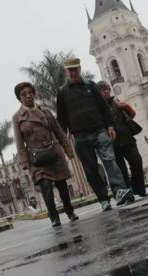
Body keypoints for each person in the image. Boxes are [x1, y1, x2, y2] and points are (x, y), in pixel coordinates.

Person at [56, 57, 134, 211]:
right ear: (66, 72)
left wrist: (110, 126)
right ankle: (103, 199)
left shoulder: (91, 86)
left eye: (75, 69)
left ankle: (119, 191)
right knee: (90, 168)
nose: (73, 72)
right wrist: (64, 139)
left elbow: (104, 108)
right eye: (70, 70)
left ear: (79, 68)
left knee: (109, 160)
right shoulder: (62, 93)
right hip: (79, 136)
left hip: (99, 131)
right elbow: (62, 118)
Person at [12, 82, 79, 227]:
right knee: (46, 187)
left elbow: (59, 133)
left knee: (62, 185)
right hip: (37, 158)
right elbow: (19, 143)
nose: (28, 95)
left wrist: (68, 150)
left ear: (34, 94)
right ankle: (54, 217)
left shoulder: (46, 112)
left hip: (54, 153)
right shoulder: (17, 117)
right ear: (19, 99)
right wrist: (25, 163)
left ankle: (70, 211)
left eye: (30, 92)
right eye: (24, 94)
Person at [97, 81, 148, 198]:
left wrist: (125, 106)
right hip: (112, 143)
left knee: (137, 162)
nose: (105, 92)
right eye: (102, 90)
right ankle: (128, 192)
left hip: (127, 138)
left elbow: (132, 115)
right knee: (121, 170)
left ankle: (139, 188)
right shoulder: (99, 108)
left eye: (107, 90)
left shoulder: (117, 102)